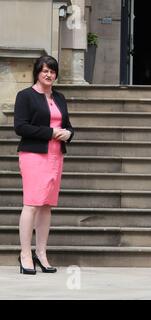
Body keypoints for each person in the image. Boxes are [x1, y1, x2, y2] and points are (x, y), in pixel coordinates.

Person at [14, 55, 74, 275]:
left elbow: (67, 125)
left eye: (52, 71)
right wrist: (51, 133)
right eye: (45, 70)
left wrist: (69, 133)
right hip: (33, 155)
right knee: (31, 203)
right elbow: (20, 127)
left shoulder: (59, 97)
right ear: (37, 72)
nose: (49, 74)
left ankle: (41, 253)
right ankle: (25, 255)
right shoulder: (25, 96)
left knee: (47, 205)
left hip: (55, 156)